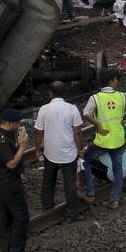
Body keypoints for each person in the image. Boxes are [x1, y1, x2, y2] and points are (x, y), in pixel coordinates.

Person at [80, 73, 126, 210]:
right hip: (118, 140)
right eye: (116, 80)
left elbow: (86, 113)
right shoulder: (122, 96)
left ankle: (90, 193)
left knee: (85, 159)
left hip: (102, 141)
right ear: (111, 82)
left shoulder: (95, 98)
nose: (117, 82)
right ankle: (114, 200)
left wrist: (97, 125)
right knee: (118, 170)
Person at [33, 81, 87, 221]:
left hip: (50, 152)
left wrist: (37, 149)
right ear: (64, 93)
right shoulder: (72, 109)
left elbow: (39, 132)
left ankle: (47, 207)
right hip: (68, 152)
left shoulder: (44, 109)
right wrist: (80, 148)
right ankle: (72, 214)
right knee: (69, 183)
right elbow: (78, 132)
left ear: (50, 93)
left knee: (48, 180)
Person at [0, 108, 32, 252]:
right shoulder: (0, 140)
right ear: (8, 123)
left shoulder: (6, 135)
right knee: (21, 217)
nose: (19, 125)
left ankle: (6, 248)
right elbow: (11, 163)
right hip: (8, 183)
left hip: (5, 181)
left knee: (6, 216)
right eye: (17, 123)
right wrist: (22, 147)